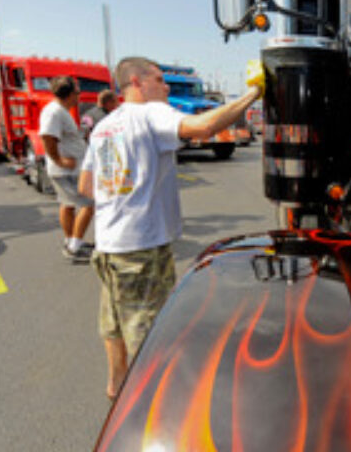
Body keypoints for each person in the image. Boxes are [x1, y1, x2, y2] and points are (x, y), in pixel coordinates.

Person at [78, 56, 264, 400]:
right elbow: (203, 127)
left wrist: (123, 193)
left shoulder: (105, 126)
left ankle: (116, 386)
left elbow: (87, 186)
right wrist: (252, 94)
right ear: (137, 82)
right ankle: (151, 406)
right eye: (160, 79)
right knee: (149, 333)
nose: (166, 87)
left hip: (108, 243)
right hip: (141, 245)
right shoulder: (150, 112)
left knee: (114, 321)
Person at [39, 75, 94, 263]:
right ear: (70, 94)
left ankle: (72, 240)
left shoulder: (60, 111)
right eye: (77, 92)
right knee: (89, 205)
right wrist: (60, 160)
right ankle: (74, 247)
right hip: (66, 171)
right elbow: (47, 137)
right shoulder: (54, 112)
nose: (79, 97)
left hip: (67, 170)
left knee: (68, 205)